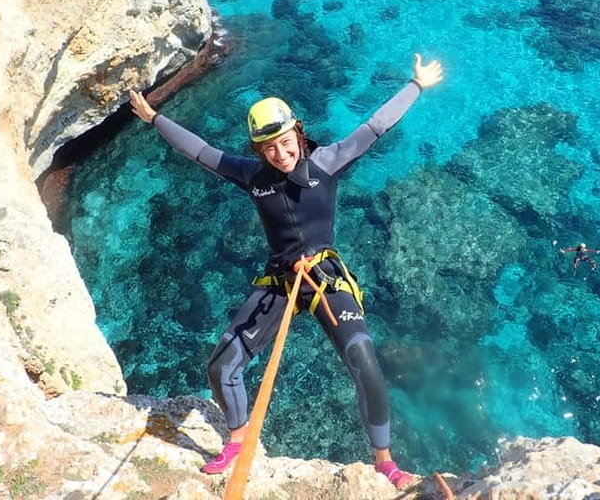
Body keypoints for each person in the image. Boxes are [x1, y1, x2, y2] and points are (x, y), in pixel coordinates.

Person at [129, 53, 443, 490]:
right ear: (258, 149)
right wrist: (154, 118)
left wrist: (416, 85)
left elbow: (375, 127)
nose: (280, 153)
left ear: (298, 132)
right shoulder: (251, 175)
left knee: (365, 361)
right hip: (279, 279)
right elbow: (199, 151)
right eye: (268, 147)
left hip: (324, 275)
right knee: (222, 366)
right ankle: (238, 444)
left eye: (285, 141)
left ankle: (385, 463)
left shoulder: (327, 162)